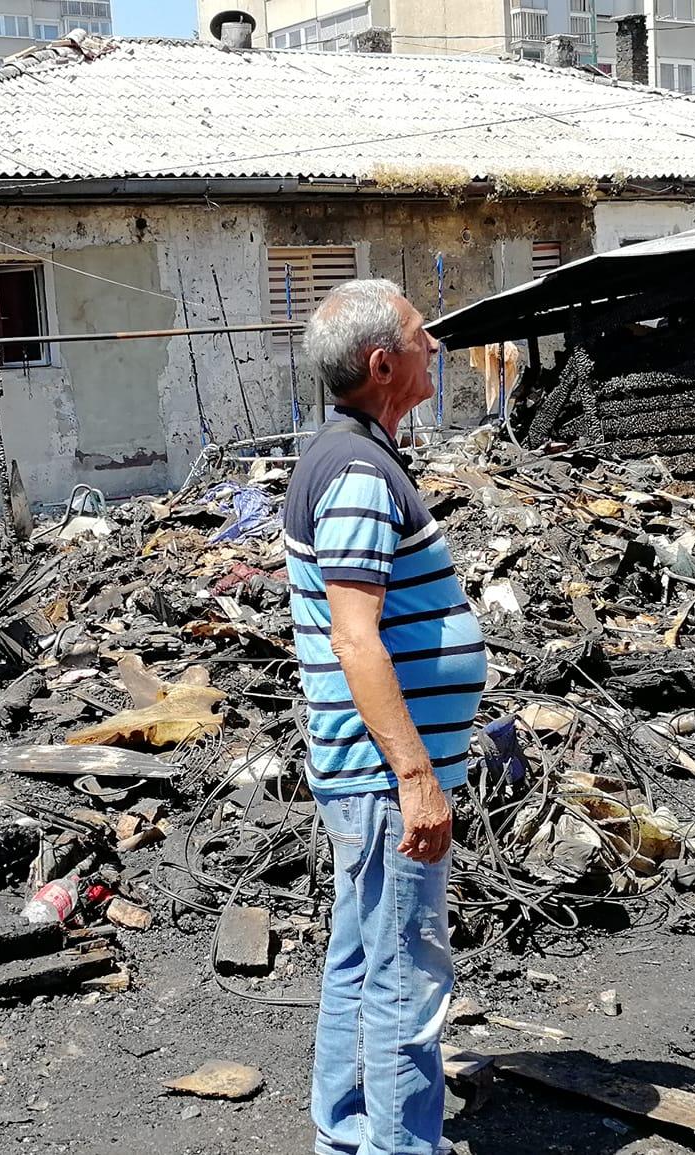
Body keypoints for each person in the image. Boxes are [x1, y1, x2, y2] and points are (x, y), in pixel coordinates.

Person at [284, 280, 488, 1155]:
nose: (433, 343)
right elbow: (356, 639)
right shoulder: (361, 472)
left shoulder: (349, 453)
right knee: (406, 974)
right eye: (419, 333)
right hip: (381, 777)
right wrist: (417, 777)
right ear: (382, 364)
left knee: (363, 961)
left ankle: (346, 1137)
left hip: (363, 772)